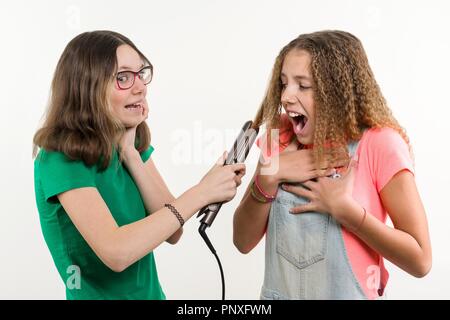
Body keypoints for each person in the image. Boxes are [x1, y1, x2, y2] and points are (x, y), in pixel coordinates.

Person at [33, 30, 246, 300]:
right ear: (87, 88)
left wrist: (131, 155)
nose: (140, 87)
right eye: (123, 78)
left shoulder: (128, 145)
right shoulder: (60, 159)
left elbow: (173, 230)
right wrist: (201, 192)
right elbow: (117, 252)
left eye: (141, 73)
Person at [233, 30, 432, 300]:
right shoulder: (279, 138)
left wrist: (349, 214)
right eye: (284, 84)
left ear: (337, 93)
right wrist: (269, 177)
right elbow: (242, 242)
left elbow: (420, 260)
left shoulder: (379, 143)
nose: (286, 97)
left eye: (303, 86)